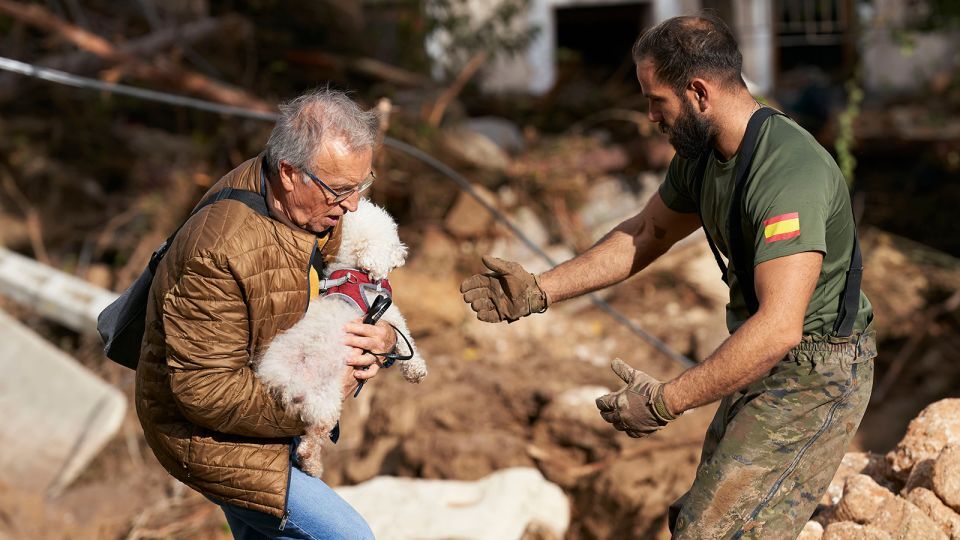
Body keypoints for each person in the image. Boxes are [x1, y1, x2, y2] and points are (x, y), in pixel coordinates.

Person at [460, 13, 876, 539]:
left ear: (698, 93)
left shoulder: (789, 173)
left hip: (817, 372)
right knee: (694, 521)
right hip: (763, 355)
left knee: (716, 532)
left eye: (657, 100)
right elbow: (646, 233)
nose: (650, 116)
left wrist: (666, 401)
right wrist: (539, 290)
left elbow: (779, 328)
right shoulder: (703, 156)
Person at [135, 88, 397, 539]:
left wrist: (387, 342)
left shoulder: (313, 208)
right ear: (291, 173)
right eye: (341, 191)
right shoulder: (215, 252)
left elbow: (349, 289)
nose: (353, 205)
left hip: (269, 413)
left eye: (363, 184)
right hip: (209, 440)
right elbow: (204, 392)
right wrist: (319, 400)